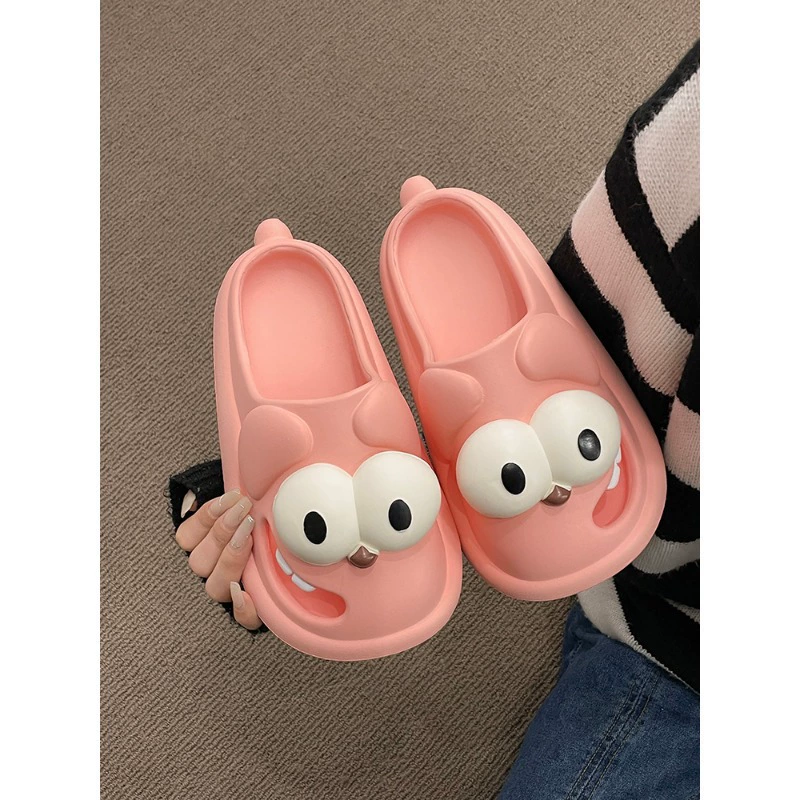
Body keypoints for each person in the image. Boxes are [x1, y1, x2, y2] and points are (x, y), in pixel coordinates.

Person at [171, 42, 700, 799]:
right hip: (684, 643)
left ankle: (379, 475)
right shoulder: (705, 164)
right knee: (544, 436)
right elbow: (598, 368)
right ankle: (371, 479)